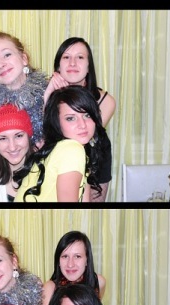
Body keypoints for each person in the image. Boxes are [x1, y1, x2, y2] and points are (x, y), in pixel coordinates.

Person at [0, 30, 48, 192]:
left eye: (6, 55)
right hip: (10, 182)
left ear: (24, 58)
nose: (0, 64)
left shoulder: (47, 92)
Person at [44, 37, 116, 202]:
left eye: (80, 57)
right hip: (56, 166)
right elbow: (47, 140)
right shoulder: (44, 92)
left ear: (89, 66)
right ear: (58, 66)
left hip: (94, 162)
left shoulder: (105, 100)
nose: (73, 63)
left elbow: (81, 138)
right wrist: (49, 96)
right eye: (66, 57)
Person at [13, 86, 110, 202]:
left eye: (87, 115)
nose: (82, 124)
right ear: (57, 122)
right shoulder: (72, 150)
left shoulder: (68, 149)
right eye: (70, 118)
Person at [0, 104, 34, 202]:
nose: (12, 147)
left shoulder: (47, 174)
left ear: (29, 137)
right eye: (3, 138)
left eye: (19, 136)